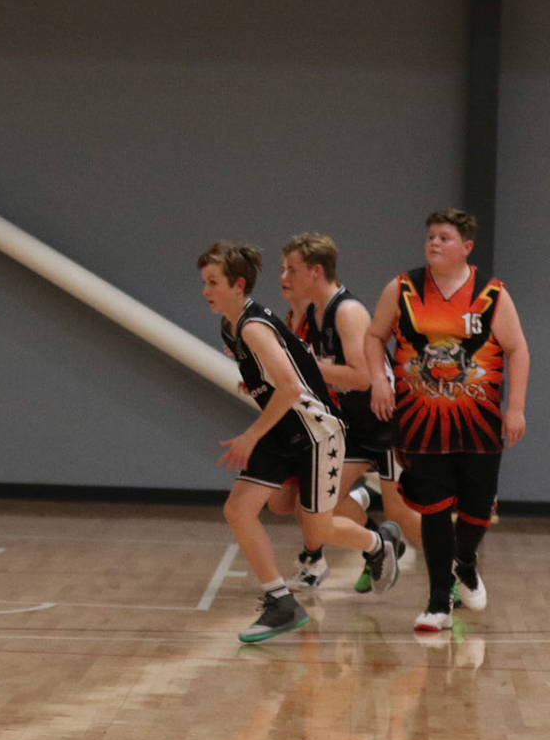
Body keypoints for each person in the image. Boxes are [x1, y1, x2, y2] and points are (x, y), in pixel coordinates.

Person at [198, 242, 403, 643]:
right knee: (239, 509)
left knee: (318, 528)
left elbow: (291, 387)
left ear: (238, 285)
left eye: (213, 282)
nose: (206, 290)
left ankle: (378, 543)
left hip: (316, 433)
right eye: (204, 282)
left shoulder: (252, 328)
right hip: (284, 430)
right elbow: (290, 369)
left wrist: (249, 436)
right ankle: (281, 603)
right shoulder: (231, 326)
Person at [364, 209, 528, 633]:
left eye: (444, 237)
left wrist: (515, 408)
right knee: (434, 510)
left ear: (467, 247)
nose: (434, 243)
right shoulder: (402, 288)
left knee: (477, 512)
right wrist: (379, 380)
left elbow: (517, 349)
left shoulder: (491, 295)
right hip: (420, 423)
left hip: (480, 423)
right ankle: (438, 602)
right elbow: (374, 336)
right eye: (431, 236)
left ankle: (465, 562)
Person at [276, 232, 421, 593]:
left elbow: (362, 377)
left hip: (387, 423)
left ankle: (456, 571)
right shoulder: (314, 313)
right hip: (355, 426)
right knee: (319, 504)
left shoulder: (347, 311)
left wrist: (307, 366)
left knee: (401, 512)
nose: (284, 276)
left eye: (292, 269)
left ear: (316, 271)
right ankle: (379, 544)